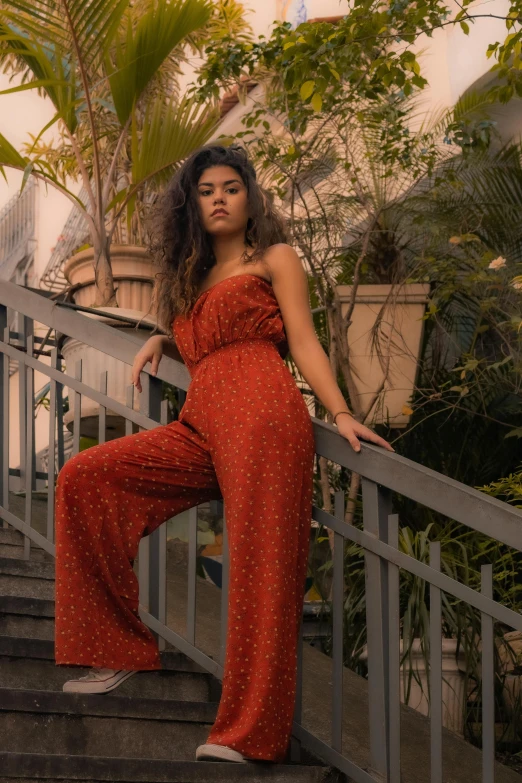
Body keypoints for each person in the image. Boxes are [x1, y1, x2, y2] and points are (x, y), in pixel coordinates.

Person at [53, 144, 393, 764]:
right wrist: (164, 335)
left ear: (250, 197)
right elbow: (209, 338)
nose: (218, 198)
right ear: (191, 204)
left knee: (263, 569)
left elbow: (303, 341)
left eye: (231, 187)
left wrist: (340, 412)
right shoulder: (189, 278)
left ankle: (247, 734)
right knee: (86, 477)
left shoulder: (275, 258)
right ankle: (118, 648)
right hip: (202, 421)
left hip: (264, 415)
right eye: (206, 189)